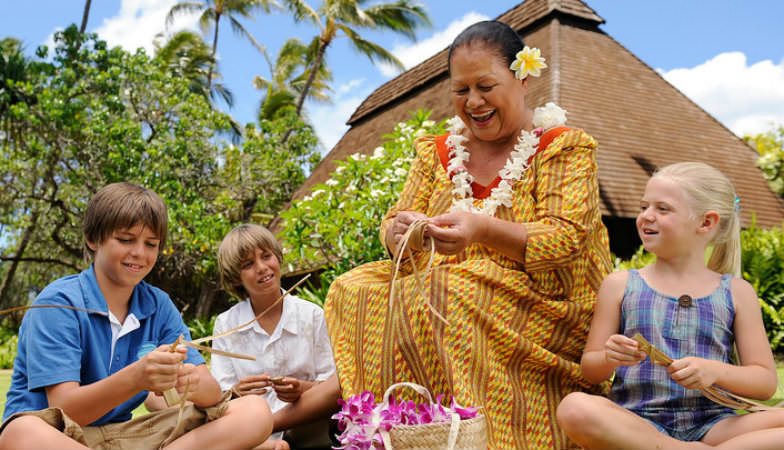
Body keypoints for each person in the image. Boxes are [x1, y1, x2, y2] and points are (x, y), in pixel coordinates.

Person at [324, 20, 612, 449]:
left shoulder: (562, 146)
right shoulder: (437, 152)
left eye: (485, 86)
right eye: (461, 91)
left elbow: (564, 239)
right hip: (446, 287)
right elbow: (394, 221)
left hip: (548, 301)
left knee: (449, 289)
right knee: (351, 290)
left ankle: (487, 439)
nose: (473, 102)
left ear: (523, 77)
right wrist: (403, 233)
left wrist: (481, 229)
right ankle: (400, 433)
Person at [0, 182, 272, 450]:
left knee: (255, 411)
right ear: (92, 239)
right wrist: (136, 378)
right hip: (63, 436)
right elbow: (67, 409)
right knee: (20, 433)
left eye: (151, 244)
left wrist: (190, 381)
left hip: (129, 436)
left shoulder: (159, 305)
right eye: (125, 240)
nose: (140, 253)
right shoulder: (59, 304)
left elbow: (211, 395)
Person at [556, 162, 784, 449]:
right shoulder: (620, 284)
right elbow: (591, 370)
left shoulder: (737, 292)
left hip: (714, 425)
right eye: (644, 207)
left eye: (662, 209)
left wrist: (714, 371)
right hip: (638, 420)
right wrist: (610, 356)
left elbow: (764, 382)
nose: (646, 216)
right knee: (575, 407)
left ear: (706, 223)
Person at [211, 224, 336, 449]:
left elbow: (331, 384)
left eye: (266, 256)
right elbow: (220, 396)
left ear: (277, 258)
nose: (261, 267)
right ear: (236, 278)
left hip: (311, 430)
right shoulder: (226, 324)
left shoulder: (311, 315)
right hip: (253, 435)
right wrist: (236, 392)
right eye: (248, 264)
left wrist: (303, 389)